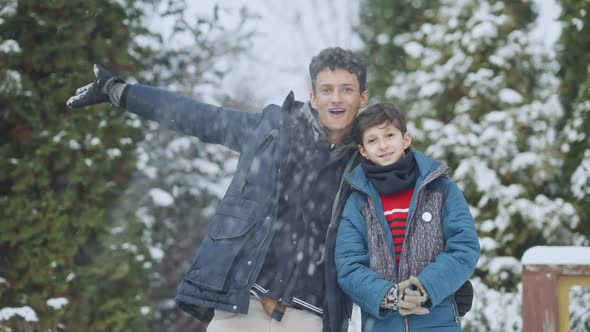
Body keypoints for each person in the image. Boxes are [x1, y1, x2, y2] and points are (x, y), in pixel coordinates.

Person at [67, 48, 473, 332]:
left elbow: (406, 223)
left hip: (311, 316)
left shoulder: (366, 162)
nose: (336, 98)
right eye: (327, 89)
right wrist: (121, 92)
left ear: (361, 97)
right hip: (241, 303)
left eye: (347, 90)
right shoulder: (273, 131)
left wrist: (448, 286)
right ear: (313, 95)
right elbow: (199, 118)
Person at [335, 103, 480, 332]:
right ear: (363, 150)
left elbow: (464, 247)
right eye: (372, 140)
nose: (383, 145)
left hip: (439, 322)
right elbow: (349, 266)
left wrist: (425, 288)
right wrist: (391, 296)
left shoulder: (441, 189)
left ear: (406, 139)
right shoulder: (358, 202)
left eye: (389, 135)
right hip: (383, 325)